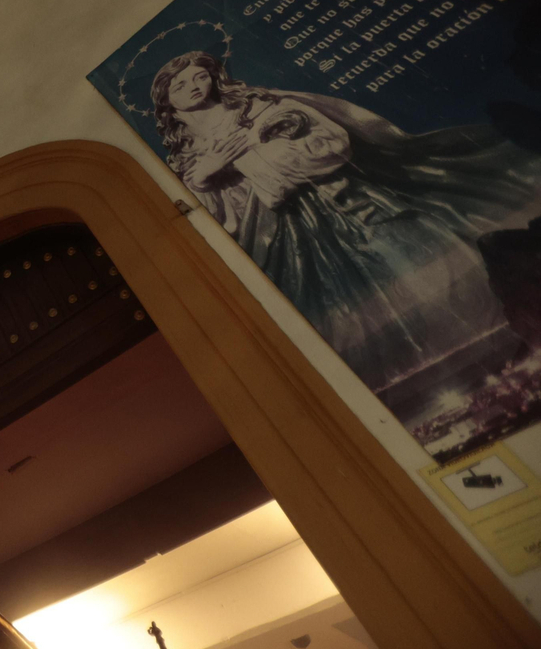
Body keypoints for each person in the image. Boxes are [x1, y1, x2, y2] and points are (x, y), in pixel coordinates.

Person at [150, 51, 541, 408]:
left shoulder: (261, 106)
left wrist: (261, 154)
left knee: (428, 272)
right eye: (180, 85)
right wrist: (206, 173)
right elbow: (212, 220)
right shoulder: (187, 158)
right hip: (284, 241)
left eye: (199, 77)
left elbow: (331, 142)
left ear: (215, 77)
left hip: (345, 204)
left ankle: (503, 356)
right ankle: (423, 398)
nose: (193, 87)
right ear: (167, 101)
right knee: (346, 323)